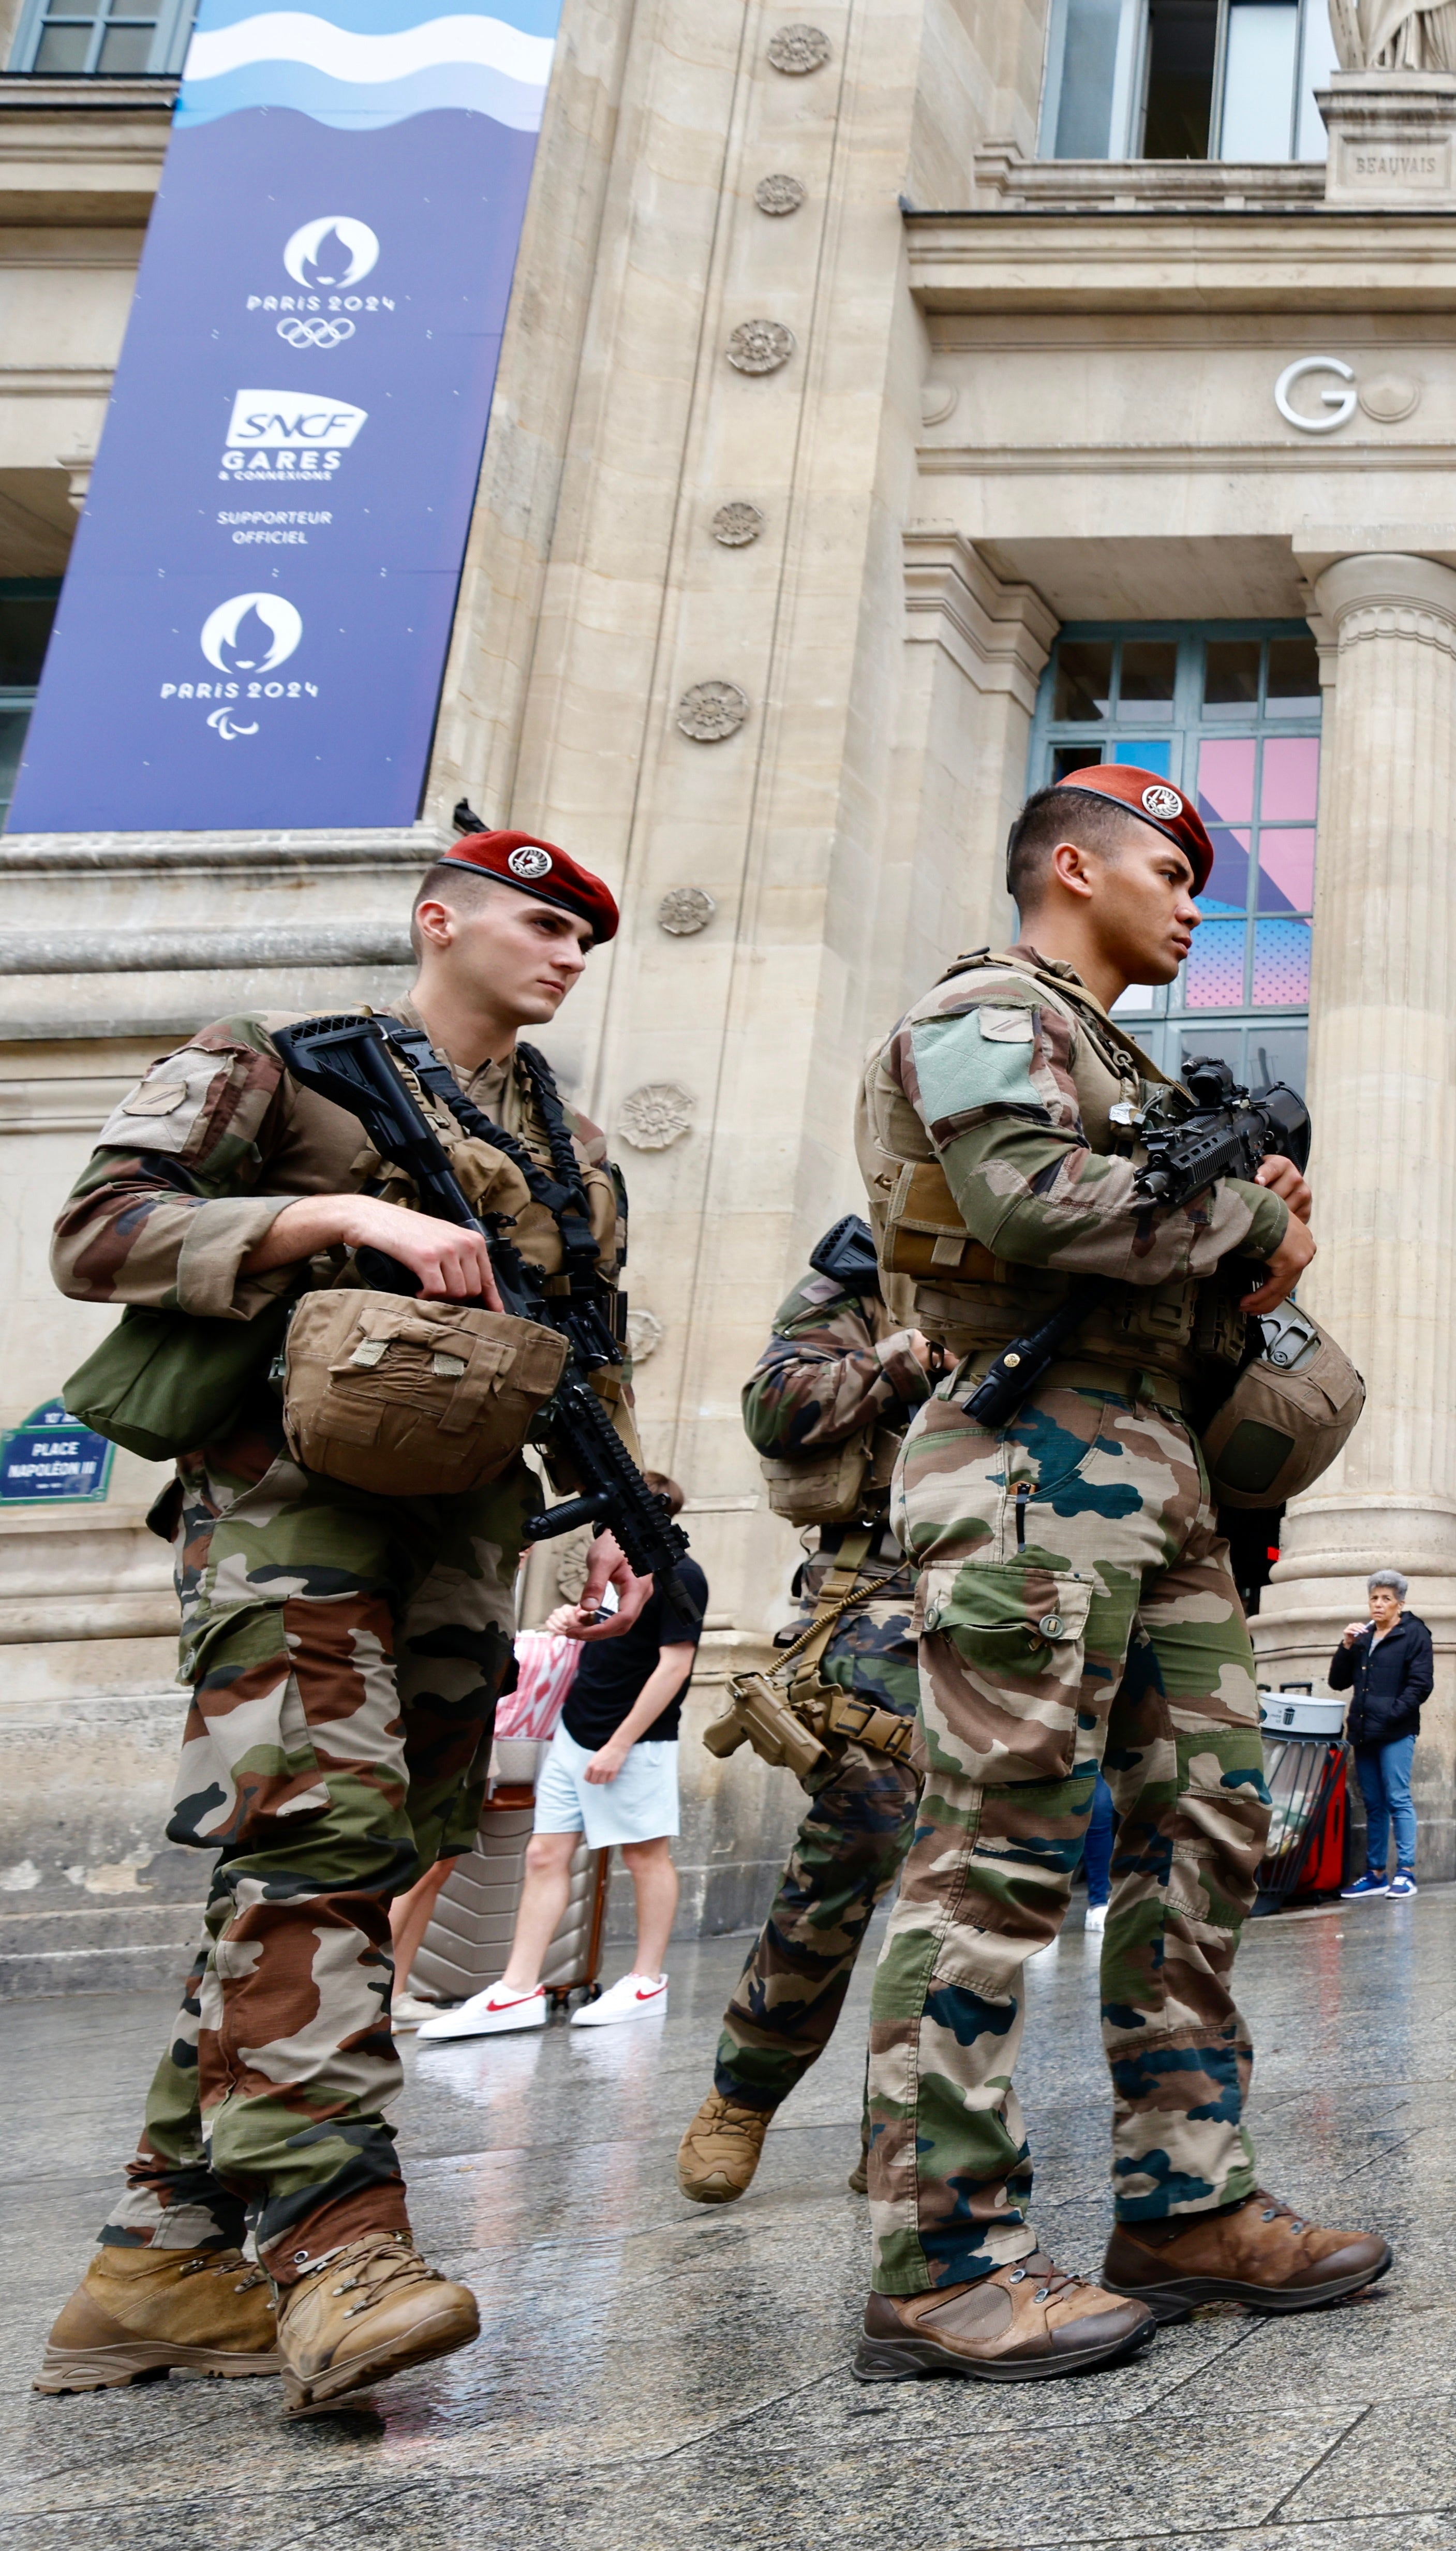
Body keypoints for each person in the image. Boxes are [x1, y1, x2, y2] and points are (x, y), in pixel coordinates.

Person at [35, 830, 631, 2411]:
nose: (569, 951)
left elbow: (576, 1359)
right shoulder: (278, 1069)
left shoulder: (571, 1153)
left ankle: (153, 2261)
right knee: (312, 1836)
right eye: (540, 920)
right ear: (439, 920)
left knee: (341, 1872)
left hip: (462, 1544)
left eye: (587, 936)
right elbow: (95, 1231)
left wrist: (616, 1539)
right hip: (287, 1511)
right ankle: (337, 2247)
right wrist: (329, 1223)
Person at [851, 766, 1386, 2382]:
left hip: (1153, 1469)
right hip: (1025, 1466)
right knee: (1002, 1850)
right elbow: (1030, 1199)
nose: (1193, 899)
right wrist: (1242, 1219)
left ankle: (1183, 2198)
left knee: (1215, 1819)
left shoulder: (1115, 1052)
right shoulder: (991, 1012)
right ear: (1068, 868)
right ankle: (939, 2257)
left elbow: (1172, 1252)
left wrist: (1255, 1244)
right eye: (1167, 868)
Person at [672, 1222, 937, 2203]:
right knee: (859, 1831)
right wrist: (903, 1358)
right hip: (884, 1592)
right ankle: (743, 2091)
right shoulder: (869, 1272)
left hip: (1030, 1594)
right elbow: (775, 1407)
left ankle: (912, 2128)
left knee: (982, 1867)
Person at [412, 1479, 703, 2038]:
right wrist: (571, 1627)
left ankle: (647, 1980)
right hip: (577, 1730)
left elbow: (674, 1665)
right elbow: (608, 1638)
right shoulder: (619, 1569)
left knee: (645, 1856)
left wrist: (621, 1743)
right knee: (545, 1855)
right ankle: (519, 1989)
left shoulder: (679, 1573)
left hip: (637, 1741)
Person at [1332, 1570, 1431, 1898]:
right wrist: (1346, 1646)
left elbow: (1421, 1685)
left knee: (1398, 1798)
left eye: (1386, 1599)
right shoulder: (1363, 1636)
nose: (1378, 1604)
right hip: (1363, 1732)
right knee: (1374, 1804)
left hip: (1396, 1732)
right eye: (1374, 1598)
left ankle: (1406, 1872)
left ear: (1400, 1603)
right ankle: (1375, 1874)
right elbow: (1338, 1682)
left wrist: (1390, 1716)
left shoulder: (1415, 1634)